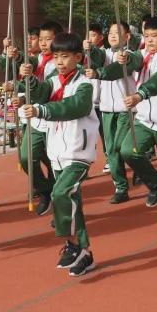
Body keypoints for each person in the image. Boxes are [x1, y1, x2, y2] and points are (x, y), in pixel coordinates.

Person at [19, 32, 99, 277]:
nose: (60, 62)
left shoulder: (85, 82)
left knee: (61, 193)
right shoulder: (53, 80)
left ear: (78, 57)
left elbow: (75, 106)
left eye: (65, 56)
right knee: (74, 202)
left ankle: (72, 243)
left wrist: (41, 110)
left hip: (78, 152)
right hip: (57, 151)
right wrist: (29, 79)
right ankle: (83, 250)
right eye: (56, 57)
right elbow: (41, 93)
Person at [100, 15, 157, 235]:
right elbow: (134, 61)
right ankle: (155, 183)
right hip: (144, 119)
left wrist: (140, 95)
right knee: (127, 150)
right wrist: (125, 59)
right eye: (146, 36)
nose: (149, 40)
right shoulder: (143, 53)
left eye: (154, 36)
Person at [2, 20, 62, 216]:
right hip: (35, 116)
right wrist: (13, 55)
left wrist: (19, 88)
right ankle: (44, 189)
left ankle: (58, 193)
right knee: (26, 157)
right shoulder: (38, 59)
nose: (44, 43)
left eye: (48, 39)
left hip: (55, 116)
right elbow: (21, 63)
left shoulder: (61, 62)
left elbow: (45, 89)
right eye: (41, 39)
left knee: (56, 158)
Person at [85, 22, 134, 204]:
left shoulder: (129, 55)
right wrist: (90, 49)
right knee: (111, 150)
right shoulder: (105, 54)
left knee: (120, 147)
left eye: (118, 32)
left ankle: (144, 172)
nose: (113, 35)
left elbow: (115, 71)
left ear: (127, 37)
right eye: (111, 32)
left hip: (126, 109)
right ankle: (121, 187)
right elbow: (97, 58)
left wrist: (98, 73)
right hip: (106, 108)